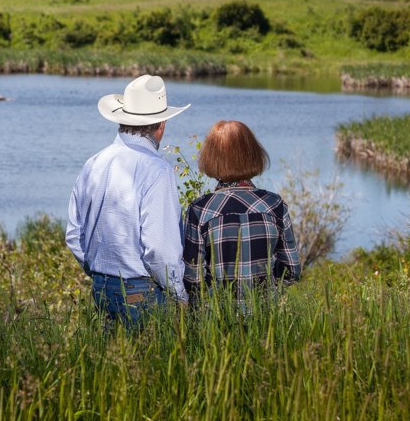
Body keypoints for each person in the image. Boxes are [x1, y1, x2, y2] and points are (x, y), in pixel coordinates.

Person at [66, 74, 190, 329]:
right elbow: (159, 249)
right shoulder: (157, 170)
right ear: (162, 125)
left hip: (101, 286)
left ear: (122, 121)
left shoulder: (94, 163)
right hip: (142, 288)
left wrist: (98, 271)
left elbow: (74, 235)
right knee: (150, 365)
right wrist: (180, 294)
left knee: (110, 366)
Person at [183, 120, 301, 311]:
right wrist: (267, 285)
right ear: (253, 154)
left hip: (215, 322)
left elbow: (192, 279)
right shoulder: (275, 205)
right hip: (265, 319)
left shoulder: (200, 209)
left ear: (211, 158)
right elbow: (292, 271)